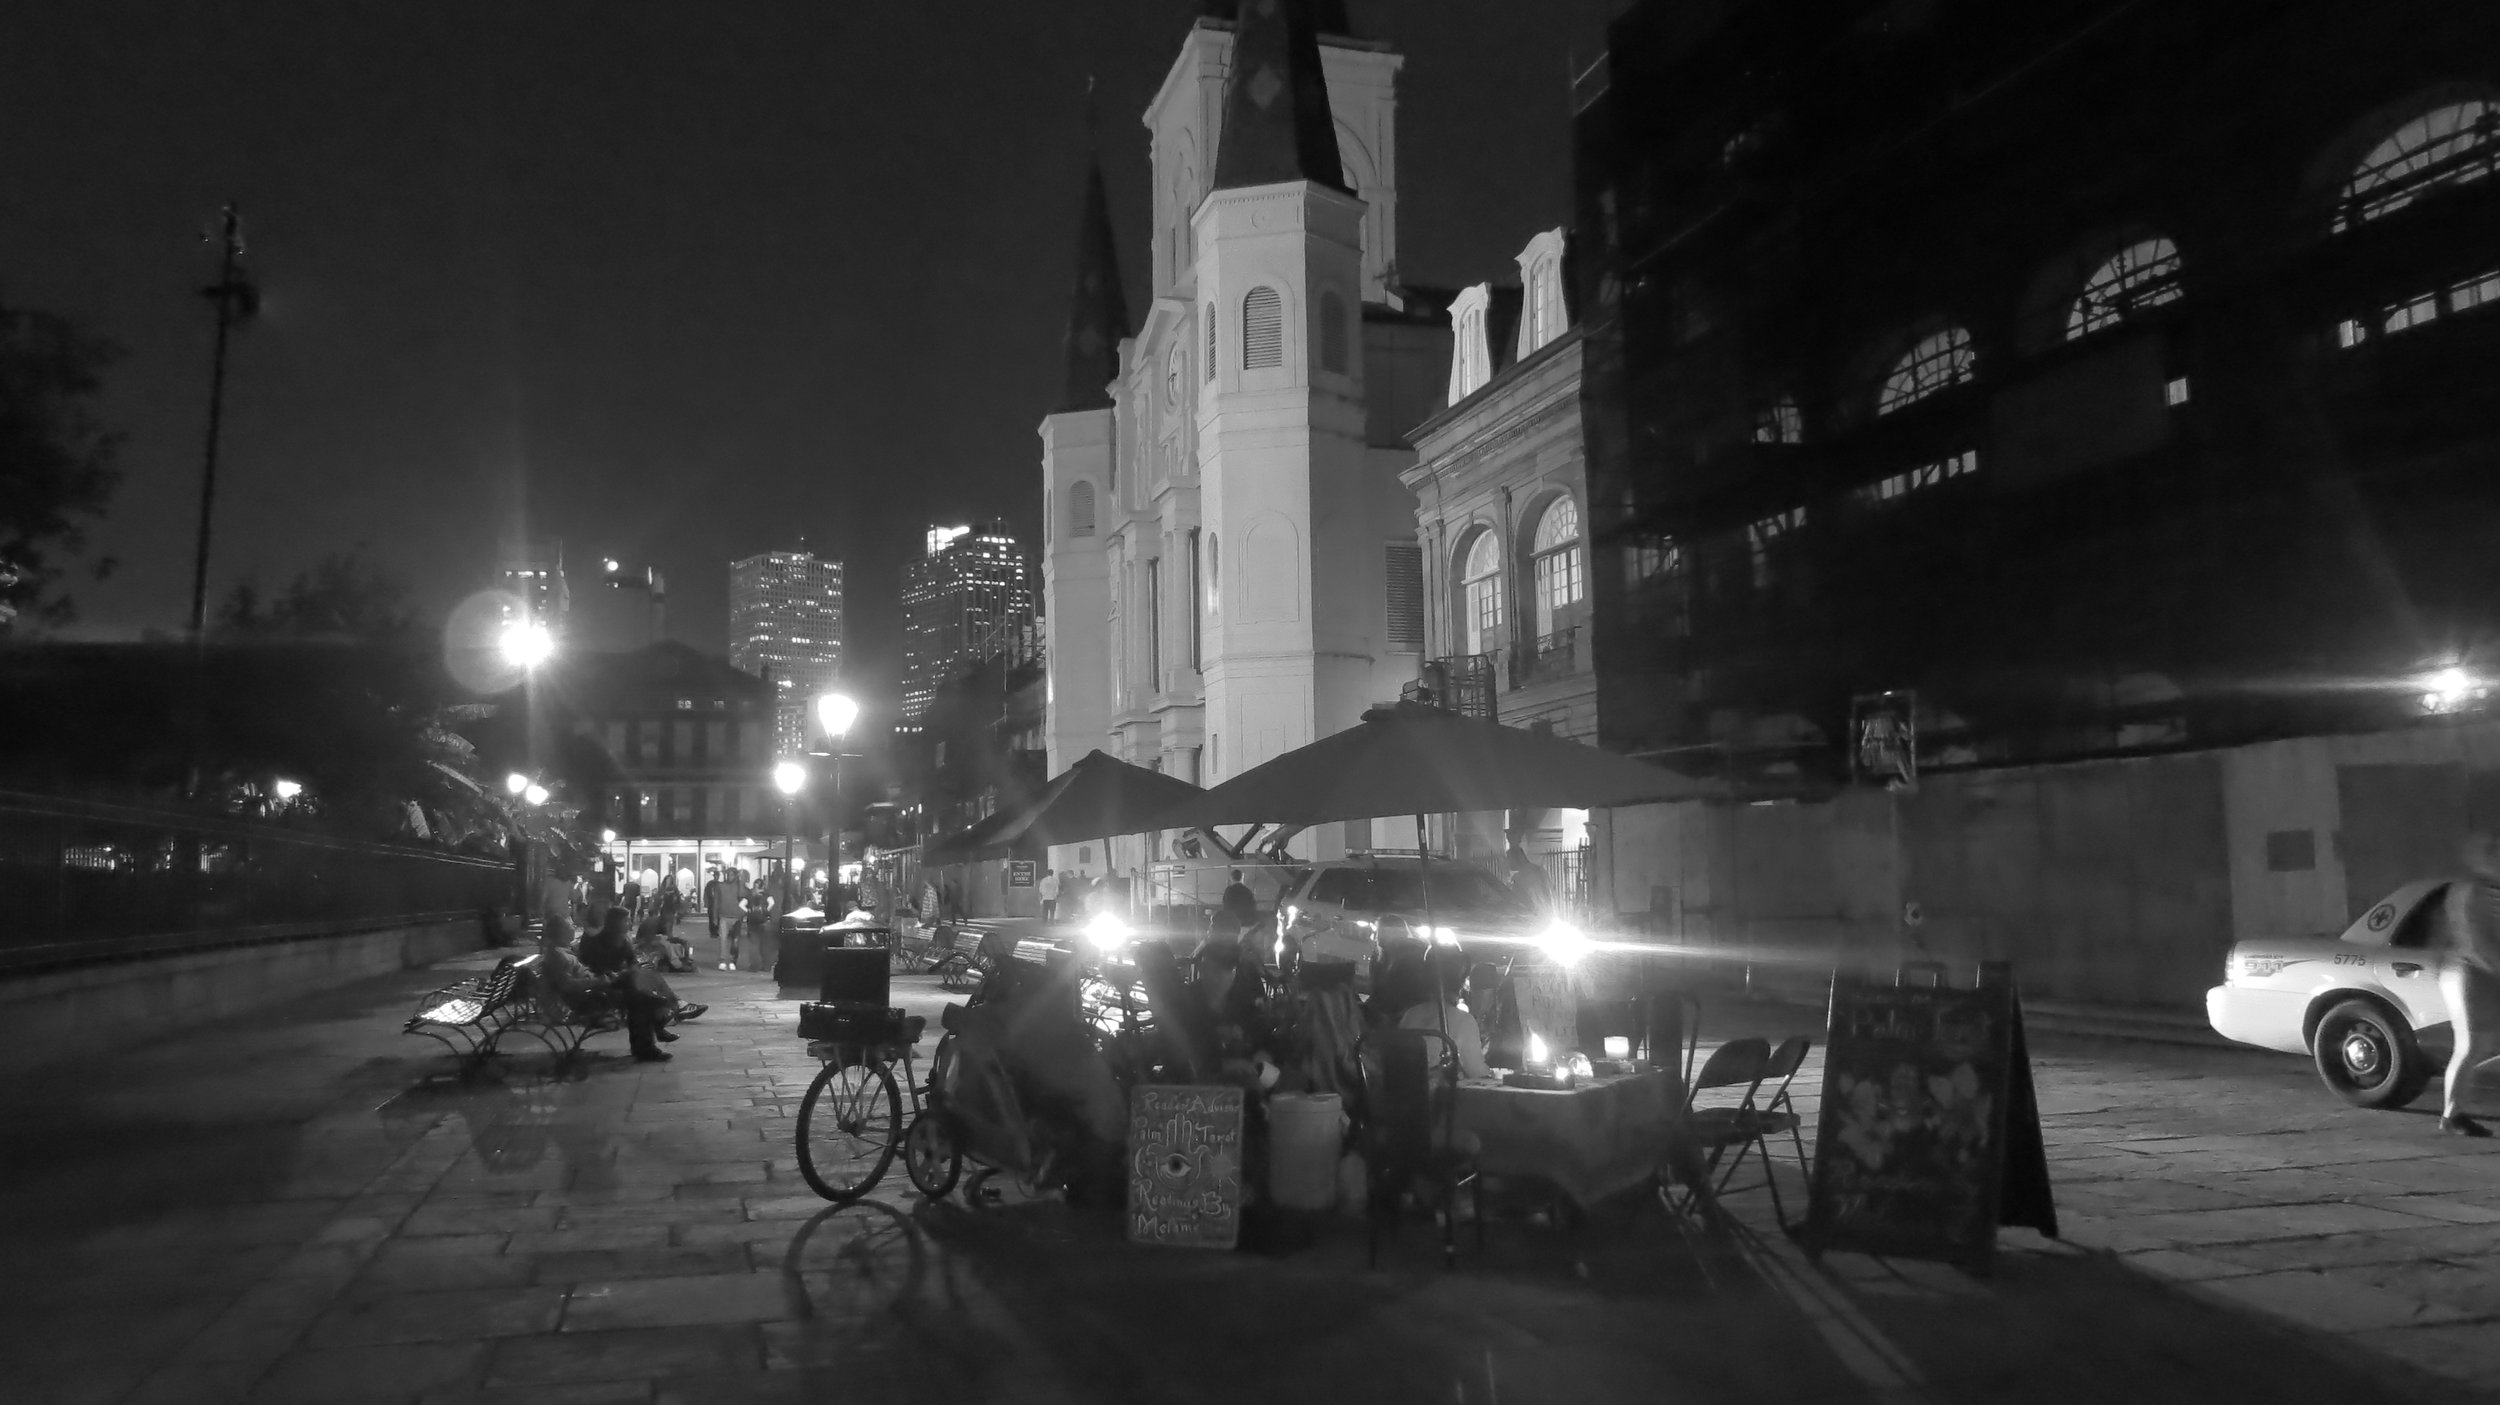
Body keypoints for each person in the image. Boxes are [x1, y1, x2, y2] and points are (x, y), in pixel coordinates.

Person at [2440, 834, 2500, 1136]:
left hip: (2488, 972)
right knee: (2472, 1046)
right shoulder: (2471, 892)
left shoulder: (2491, 890)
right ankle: (2453, 1114)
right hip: (2471, 973)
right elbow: (2475, 942)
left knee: (2479, 1046)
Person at [570, 909, 676, 1061]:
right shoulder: (598, 942)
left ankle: (650, 1039)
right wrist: (617, 973)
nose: (629, 923)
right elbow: (593, 967)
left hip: (617, 982)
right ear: (615, 922)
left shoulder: (622, 940)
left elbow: (632, 962)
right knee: (642, 999)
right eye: (625, 920)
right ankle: (653, 1035)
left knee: (644, 982)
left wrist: (628, 971)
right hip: (601, 986)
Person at [1399, 950, 1493, 1080]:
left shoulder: (1410, 1014)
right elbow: (1476, 1071)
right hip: (1437, 1096)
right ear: (1460, 983)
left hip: (1403, 1091)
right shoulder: (1463, 1021)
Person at [1218, 869, 1259, 939]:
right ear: (1242, 877)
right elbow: (1253, 907)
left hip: (1232, 925)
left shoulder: (1229, 891)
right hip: (1245, 924)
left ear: (1231, 878)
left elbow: (1225, 906)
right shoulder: (1247, 891)